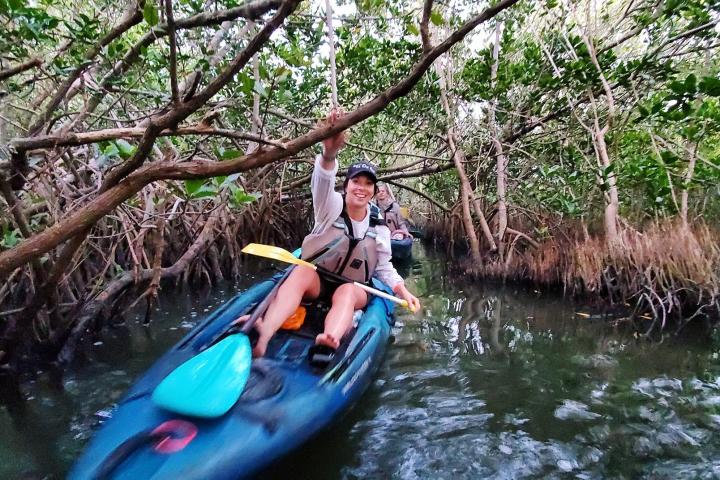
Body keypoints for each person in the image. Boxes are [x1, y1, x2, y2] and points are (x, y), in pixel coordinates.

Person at [238, 110, 421, 359]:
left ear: (374, 191)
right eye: (357, 181)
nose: (362, 188)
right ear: (346, 187)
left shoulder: (379, 226)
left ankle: (330, 339)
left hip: (354, 287)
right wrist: (329, 153)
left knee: (345, 293)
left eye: (368, 184)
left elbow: (383, 268)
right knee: (302, 270)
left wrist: (403, 291)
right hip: (318, 280)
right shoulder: (330, 207)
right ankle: (265, 333)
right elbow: (322, 180)